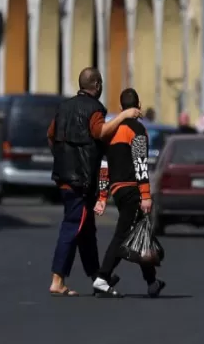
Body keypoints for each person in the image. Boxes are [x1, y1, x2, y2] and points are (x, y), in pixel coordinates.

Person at [46, 67, 140, 296]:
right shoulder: (95, 109)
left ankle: (98, 276)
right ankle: (57, 280)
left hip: (65, 177)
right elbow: (100, 132)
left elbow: (51, 136)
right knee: (73, 226)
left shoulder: (63, 107)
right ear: (96, 85)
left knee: (86, 230)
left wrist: (63, 158)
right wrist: (123, 116)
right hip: (80, 180)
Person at [93, 87, 166, 298]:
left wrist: (102, 196)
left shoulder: (112, 131)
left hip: (118, 190)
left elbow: (104, 166)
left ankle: (152, 282)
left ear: (120, 107)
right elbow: (141, 163)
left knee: (139, 233)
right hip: (132, 190)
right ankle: (102, 277)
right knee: (123, 235)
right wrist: (145, 195)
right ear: (139, 106)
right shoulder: (138, 130)